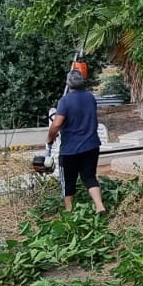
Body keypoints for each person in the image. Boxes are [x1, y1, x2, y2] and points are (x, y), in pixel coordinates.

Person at [45, 64, 107, 213]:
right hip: (91, 145)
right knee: (89, 176)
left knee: (68, 180)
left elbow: (56, 124)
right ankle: (100, 206)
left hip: (70, 149)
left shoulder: (64, 101)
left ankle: (69, 211)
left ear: (68, 83)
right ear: (82, 82)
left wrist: (49, 139)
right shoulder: (90, 97)